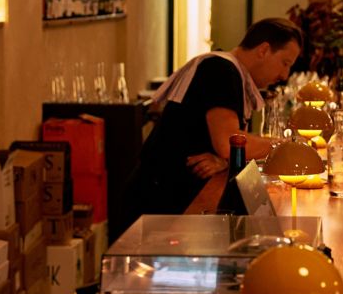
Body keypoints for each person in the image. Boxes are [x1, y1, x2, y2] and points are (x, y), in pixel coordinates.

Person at [122, 17, 303, 216]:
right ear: (263, 50)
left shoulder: (229, 70)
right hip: (155, 203)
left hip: (173, 196)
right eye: (285, 63)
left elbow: (226, 146)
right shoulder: (221, 71)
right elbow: (229, 142)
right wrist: (280, 146)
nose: (285, 75)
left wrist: (225, 160)